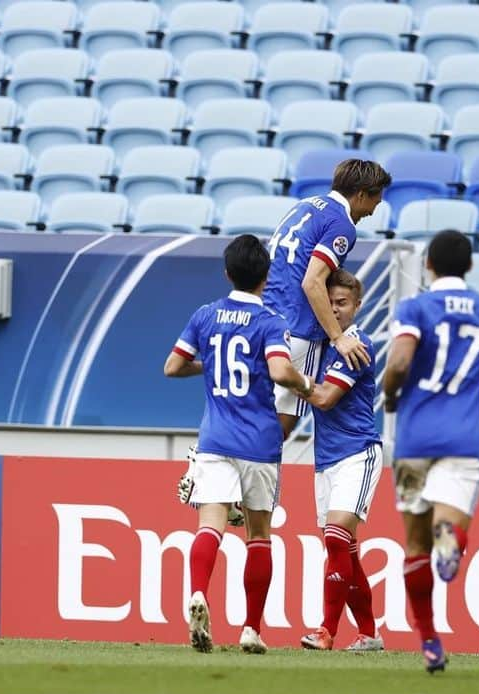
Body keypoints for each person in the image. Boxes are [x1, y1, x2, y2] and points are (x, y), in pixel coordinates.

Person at [381, 230, 479, 673]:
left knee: (413, 546)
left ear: (428, 264)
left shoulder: (413, 308)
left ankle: (428, 639)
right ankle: (453, 538)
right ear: (470, 268)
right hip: (464, 441)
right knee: (447, 525)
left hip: (413, 441)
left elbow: (401, 363)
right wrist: (478, 376)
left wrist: (391, 396)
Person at [164, 234, 315, 655]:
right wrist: (308, 386)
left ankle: (197, 593)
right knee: (259, 535)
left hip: (215, 438)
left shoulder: (206, 315)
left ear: (227, 273)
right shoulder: (270, 321)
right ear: (266, 277)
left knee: (209, 525)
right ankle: (251, 628)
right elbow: (282, 373)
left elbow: (172, 367)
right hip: (259, 443)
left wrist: (209, 365)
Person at [263, 158, 392, 439]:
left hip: (266, 319)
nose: (372, 212)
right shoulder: (342, 223)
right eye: (375, 202)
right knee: (281, 423)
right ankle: (258, 477)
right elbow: (312, 281)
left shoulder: (303, 205)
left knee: (253, 406)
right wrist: (338, 337)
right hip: (298, 327)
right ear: (360, 195)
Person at [295, 270, 384, 652]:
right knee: (343, 550)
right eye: (329, 302)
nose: (334, 309)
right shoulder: (321, 344)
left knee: (335, 538)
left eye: (342, 303)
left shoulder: (357, 344)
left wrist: (287, 378)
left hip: (357, 453)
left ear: (357, 306)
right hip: (326, 460)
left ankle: (325, 631)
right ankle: (369, 634)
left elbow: (326, 397)